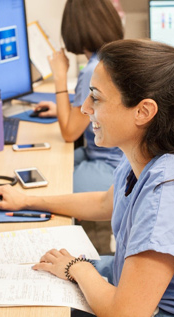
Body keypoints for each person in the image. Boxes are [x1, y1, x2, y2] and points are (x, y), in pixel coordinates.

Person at [0, 39, 174, 317]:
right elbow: (104, 204)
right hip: (150, 304)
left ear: (143, 112)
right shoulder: (147, 153)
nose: (84, 108)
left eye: (96, 97)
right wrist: (27, 201)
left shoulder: (168, 191)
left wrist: (76, 267)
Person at [34, 0, 124, 193]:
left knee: (52, 184)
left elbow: (69, 133)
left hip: (110, 165)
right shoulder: (111, 56)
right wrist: (62, 111)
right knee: (49, 166)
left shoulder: (94, 70)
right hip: (115, 158)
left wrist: (60, 75)